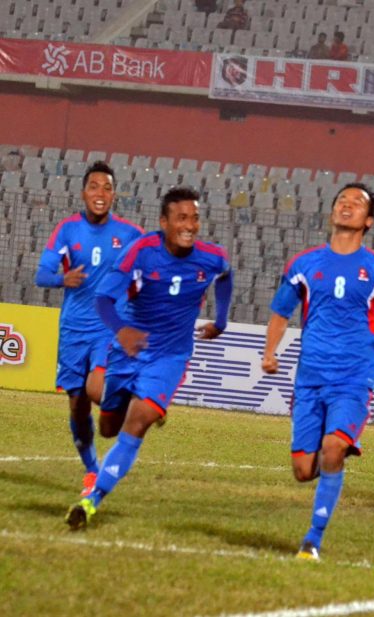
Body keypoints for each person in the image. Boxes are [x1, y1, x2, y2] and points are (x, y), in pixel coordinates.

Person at [65, 187, 233, 530]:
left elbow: (226, 276)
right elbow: (103, 300)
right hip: (130, 352)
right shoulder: (140, 252)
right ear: (164, 222)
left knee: (136, 422)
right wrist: (120, 330)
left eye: (195, 218)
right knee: (108, 427)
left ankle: (91, 500)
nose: (189, 225)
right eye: (181, 218)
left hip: (170, 357)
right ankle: (147, 405)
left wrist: (221, 320)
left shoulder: (212, 257)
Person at [261, 183, 374, 561]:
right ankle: (332, 463)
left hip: (353, 378)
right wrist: (269, 352)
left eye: (356, 203)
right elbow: (281, 311)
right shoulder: (305, 264)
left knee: (332, 447)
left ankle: (313, 539)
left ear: (369, 220)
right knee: (301, 469)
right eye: (342, 200)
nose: (346, 205)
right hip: (309, 378)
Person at [36, 161, 144, 498]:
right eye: (94, 186)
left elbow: (151, 269)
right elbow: (42, 274)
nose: (101, 193)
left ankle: (140, 402)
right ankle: (92, 471)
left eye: (107, 187)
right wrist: (60, 279)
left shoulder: (130, 235)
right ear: (84, 192)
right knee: (77, 405)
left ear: (114, 195)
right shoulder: (67, 230)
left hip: (107, 328)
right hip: (72, 330)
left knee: (97, 388)